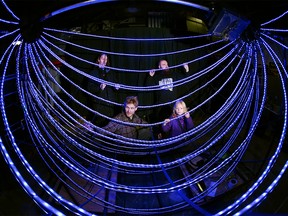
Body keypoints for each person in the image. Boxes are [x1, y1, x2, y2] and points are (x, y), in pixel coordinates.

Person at [87, 53, 119, 127]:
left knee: (110, 125)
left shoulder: (110, 72)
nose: (104, 60)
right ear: (98, 59)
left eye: (106, 59)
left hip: (110, 104)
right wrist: (99, 88)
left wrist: (116, 87)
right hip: (99, 104)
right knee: (100, 124)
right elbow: (89, 88)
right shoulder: (93, 73)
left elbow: (114, 83)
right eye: (102, 58)